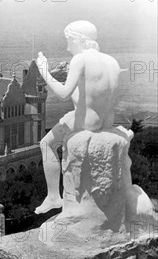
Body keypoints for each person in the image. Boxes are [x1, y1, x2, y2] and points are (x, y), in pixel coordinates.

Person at [35, 20, 121, 214]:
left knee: (46, 143)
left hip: (86, 123)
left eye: (69, 41)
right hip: (106, 120)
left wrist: (44, 71)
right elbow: (96, 95)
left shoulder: (80, 59)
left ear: (78, 39)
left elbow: (64, 94)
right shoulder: (111, 61)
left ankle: (53, 197)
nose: (67, 47)